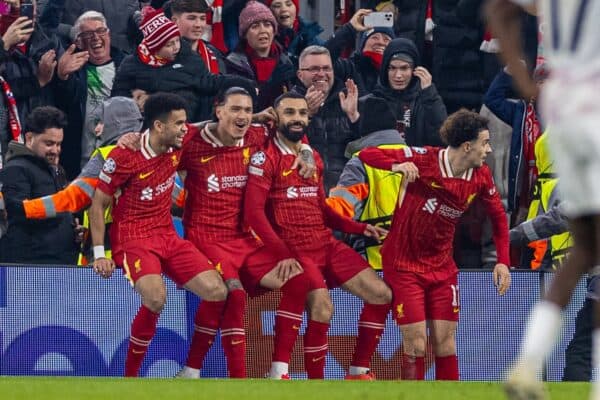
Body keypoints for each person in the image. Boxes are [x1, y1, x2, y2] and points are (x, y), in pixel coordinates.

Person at [486, 1, 600, 398]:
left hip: (566, 118)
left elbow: (498, 10)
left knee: (586, 253)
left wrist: (525, 80)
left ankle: (527, 364)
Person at [244, 92, 393, 380]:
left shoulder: (313, 158)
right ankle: (305, 380)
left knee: (381, 294)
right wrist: (282, 252)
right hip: (294, 247)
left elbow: (321, 207)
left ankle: (358, 370)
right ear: (275, 117)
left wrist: (359, 228)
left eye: (302, 113)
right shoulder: (265, 158)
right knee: (323, 308)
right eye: (289, 113)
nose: (297, 119)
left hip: (325, 243)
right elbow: (254, 214)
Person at [358, 109, 511, 380]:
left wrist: (503, 261)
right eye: (485, 143)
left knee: (446, 343)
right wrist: (397, 166)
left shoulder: (481, 176)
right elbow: (367, 154)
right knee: (416, 344)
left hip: (442, 268)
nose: (488, 149)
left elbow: (498, 216)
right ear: (467, 146)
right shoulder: (425, 158)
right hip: (404, 265)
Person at [175, 87, 317, 380]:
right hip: (206, 236)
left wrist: (307, 154)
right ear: (219, 111)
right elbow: (162, 141)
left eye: (247, 110)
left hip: (244, 238)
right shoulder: (192, 141)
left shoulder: (256, 136)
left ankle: (279, 370)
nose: (242, 116)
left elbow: (295, 134)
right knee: (234, 295)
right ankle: (224, 377)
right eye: (235, 109)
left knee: (299, 280)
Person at [88, 92, 228, 377]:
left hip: (166, 234)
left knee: (217, 292)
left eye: (184, 123)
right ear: (158, 126)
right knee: (155, 298)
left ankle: (191, 370)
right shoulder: (124, 155)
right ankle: (131, 378)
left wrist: (260, 116)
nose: (183, 129)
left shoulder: (177, 140)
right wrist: (100, 254)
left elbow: (203, 126)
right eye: (178, 124)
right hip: (133, 237)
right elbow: (97, 203)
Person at [326, 96, 406, 271]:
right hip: (417, 263)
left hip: (375, 265)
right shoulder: (418, 157)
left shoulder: (360, 163)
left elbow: (340, 211)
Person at [52, 10, 126, 179]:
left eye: (101, 31)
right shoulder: (74, 69)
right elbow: (65, 103)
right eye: (87, 34)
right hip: (79, 162)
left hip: (117, 159)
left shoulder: (126, 65)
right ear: (78, 41)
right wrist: (63, 77)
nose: (95, 37)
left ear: (109, 34)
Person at [0, 106, 78, 264]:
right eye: (49, 143)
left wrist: (72, 229)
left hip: (60, 262)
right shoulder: (16, 168)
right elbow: (17, 211)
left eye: (59, 144)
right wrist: (61, 209)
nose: (55, 150)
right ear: (29, 138)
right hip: (29, 265)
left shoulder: (56, 169)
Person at [290, 45, 361, 192]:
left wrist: (355, 118)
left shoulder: (350, 99)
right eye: (314, 69)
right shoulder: (287, 103)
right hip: (304, 187)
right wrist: (306, 115)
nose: (322, 74)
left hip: (347, 189)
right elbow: (283, 146)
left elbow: (364, 150)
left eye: (327, 68)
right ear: (300, 74)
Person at [358, 37, 447, 148]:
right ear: (385, 70)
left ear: (414, 70)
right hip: (383, 163)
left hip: (417, 163)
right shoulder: (372, 101)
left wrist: (430, 96)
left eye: (404, 68)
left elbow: (443, 138)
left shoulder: (426, 100)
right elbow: (359, 143)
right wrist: (353, 117)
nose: (398, 75)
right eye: (392, 68)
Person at [225, 1, 295, 111]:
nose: (262, 30)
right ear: (245, 34)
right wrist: (272, 83)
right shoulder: (233, 65)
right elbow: (245, 108)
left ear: (274, 30)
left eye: (267, 25)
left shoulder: (286, 63)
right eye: (255, 26)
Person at [264, 0, 324, 67]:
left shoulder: (313, 40)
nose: (284, 9)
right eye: (277, 6)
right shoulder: (263, 41)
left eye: (289, 4)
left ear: (296, 8)